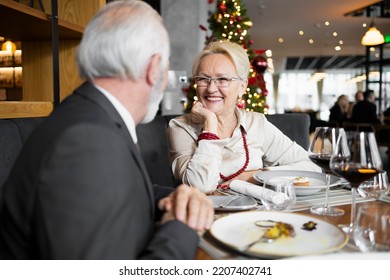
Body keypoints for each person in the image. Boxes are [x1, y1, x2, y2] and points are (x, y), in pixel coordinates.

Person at [0, 1, 213, 260]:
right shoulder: (87, 141)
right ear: (154, 68)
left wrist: (177, 197)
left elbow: (117, 188)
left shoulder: (89, 115)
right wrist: (183, 226)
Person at [167, 41, 321, 193]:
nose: (211, 88)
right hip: (206, 216)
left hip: (257, 214)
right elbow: (200, 186)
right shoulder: (180, 128)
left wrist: (257, 176)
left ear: (242, 87)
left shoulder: (256, 123)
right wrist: (210, 125)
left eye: (222, 79)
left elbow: (311, 166)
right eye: (203, 79)